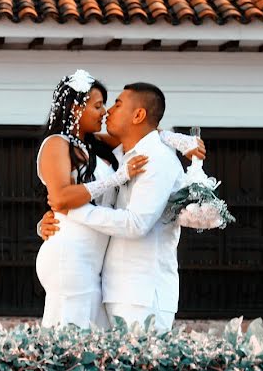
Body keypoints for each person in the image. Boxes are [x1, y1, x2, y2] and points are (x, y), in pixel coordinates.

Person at [35, 71, 202, 330]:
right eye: (98, 105)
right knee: (69, 341)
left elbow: (145, 131)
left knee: (91, 345)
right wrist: (115, 179)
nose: (105, 112)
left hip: (99, 268)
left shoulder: (95, 145)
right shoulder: (57, 143)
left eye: (112, 104)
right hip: (72, 256)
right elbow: (59, 198)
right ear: (74, 108)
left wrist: (175, 139)